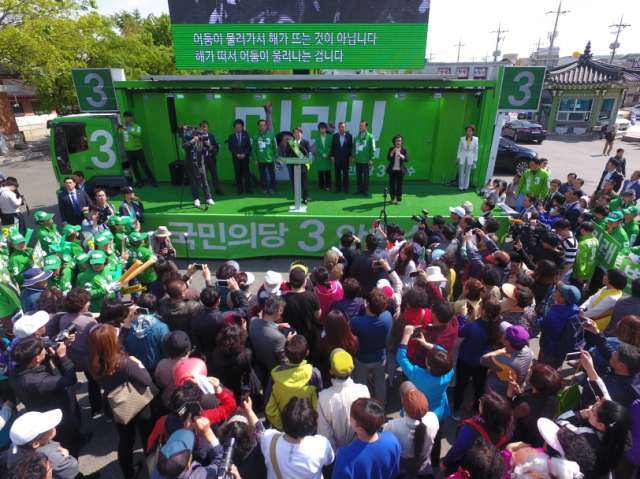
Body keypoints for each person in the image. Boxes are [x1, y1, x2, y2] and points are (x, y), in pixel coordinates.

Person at [89, 324, 155, 479]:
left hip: (116, 406)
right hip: (139, 405)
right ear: (112, 343)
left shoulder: (92, 363)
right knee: (148, 438)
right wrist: (140, 365)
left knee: (126, 440)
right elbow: (146, 381)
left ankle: (128, 473)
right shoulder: (125, 363)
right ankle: (153, 469)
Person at [9, 337, 85, 458]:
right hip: (59, 419)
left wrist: (51, 357)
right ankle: (72, 466)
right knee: (69, 449)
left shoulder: (16, 372)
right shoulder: (36, 381)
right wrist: (63, 356)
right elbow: (70, 379)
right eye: (43, 350)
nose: (45, 350)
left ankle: (78, 441)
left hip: (41, 410)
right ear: (36, 358)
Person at [7, 409, 92, 479]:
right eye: (47, 428)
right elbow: (72, 469)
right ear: (35, 444)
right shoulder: (54, 456)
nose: (53, 427)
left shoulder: (13, 448)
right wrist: (66, 457)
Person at [441, 392, 513, 475]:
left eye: (482, 401)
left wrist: (443, 465)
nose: (481, 400)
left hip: (469, 468)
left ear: (486, 414)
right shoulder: (508, 431)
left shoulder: (468, 432)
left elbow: (455, 454)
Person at [452, 298, 501, 421]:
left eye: (481, 306)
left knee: (460, 386)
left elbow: (460, 332)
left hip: (465, 360)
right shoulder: (495, 327)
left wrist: (462, 316)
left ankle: (456, 410)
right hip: (482, 363)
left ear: (483, 311)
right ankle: (476, 409)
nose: (479, 306)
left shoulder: (472, 326)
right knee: (479, 387)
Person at [261, 396, 334, 477]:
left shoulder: (269, 439)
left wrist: (250, 412)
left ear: (284, 419)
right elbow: (329, 460)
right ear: (312, 425)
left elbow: (258, 429)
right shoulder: (321, 445)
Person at [264, 335, 322, 431]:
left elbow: (269, 408)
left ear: (284, 353)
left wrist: (282, 427)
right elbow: (318, 405)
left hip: (283, 429)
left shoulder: (275, 375)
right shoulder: (314, 374)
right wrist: (310, 425)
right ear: (307, 353)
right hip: (307, 427)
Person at [317, 348, 370, 454]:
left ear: (331, 371)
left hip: (335, 454)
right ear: (353, 368)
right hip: (358, 451)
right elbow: (365, 423)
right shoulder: (363, 390)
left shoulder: (323, 397)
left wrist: (336, 454)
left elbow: (325, 431)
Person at [332, 397, 400, 479]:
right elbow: (395, 472)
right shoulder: (392, 440)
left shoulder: (344, 455)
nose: (350, 419)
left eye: (352, 418)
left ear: (361, 430)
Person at [383, 383, 439, 479]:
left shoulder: (392, 425)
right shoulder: (433, 419)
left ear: (404, 407)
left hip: (402, 465)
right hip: (423, 463)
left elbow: (386, 444)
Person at [350, 288, 393, 405]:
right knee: (380, 382)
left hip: (362, 360)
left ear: (367, 304)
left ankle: (361, 406)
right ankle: (381, 404)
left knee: (360, 385)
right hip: (380, 358)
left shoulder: (356, 322)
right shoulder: (388, 316)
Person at [191, 277, 249, 359]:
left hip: (208, 352)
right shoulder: (226, 316)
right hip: (225, 351)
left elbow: (196, 338)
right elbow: (245, 308)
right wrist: (237, 290)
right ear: (218, 301)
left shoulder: (196, 319)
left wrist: (201, 350)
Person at [507, 364, 563, 448]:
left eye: (530, 373)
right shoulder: (553, 397)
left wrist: (510, 392)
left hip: (522, 442)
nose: (528, 372)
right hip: (539, 438)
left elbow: (507, 417)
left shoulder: (525, 405)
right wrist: (519, 393)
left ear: (535, 382)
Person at [150, 427, 239, 479]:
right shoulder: (204, 474)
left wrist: (186, 428)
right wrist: (207, 432)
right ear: (188, 465)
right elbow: (221, 461)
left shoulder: (155, 474)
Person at [216, 397, 267, 478]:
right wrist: (249, 410)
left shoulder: (221, 450)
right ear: (249, 431)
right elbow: (260, 428)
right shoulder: (259, 442)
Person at [481, 323, 533, 398]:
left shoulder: (502, 360)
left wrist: (500, 351)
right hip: (516, 390)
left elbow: (483, 359)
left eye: (504, 334)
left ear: (507, 342)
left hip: (497, 394)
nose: (502, 334)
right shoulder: (527, 351)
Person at [539, 282, 583, 369]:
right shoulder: (573, 308)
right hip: (561, 349)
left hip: (550, 349)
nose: (554, 292)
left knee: (544, 371)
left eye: (557, 292)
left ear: (562, 299)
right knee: (556, 368)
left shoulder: (555, 315)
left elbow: (541, 324)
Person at [209, 324, 255, 403]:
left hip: (224, 384)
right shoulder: (246, 355)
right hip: (239, 384)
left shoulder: (215, 353)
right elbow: (249, 370)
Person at [281, 265, 320, 352]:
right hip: (309, 336)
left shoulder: (283, 299)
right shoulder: (312, 296)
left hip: (291, 337)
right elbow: (318, 315)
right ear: (304, 282)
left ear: (290, 281)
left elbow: (280, 320)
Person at [116, 111, 157, 188]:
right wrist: (116, 130)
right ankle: (140, 182)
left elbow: (138, 134)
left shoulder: (137, 126)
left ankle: (152, 181)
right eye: (125, 117)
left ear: (131, 117)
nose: (126, 119)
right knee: (134, 167)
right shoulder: (122, 128)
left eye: (128, 117)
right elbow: (116, 136)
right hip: (128, 150)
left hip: (137, 149)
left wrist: (128, 130)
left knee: (144, 165)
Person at [155, 331, 191, 409]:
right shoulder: (195, 366)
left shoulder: (161, 365)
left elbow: (160, 383)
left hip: (168, 401)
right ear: (188, 351)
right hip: (189, 404)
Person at [182, 128, 214, 207]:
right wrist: (193, 140)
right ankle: (196, 199)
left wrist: (204, 141)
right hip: (190, 165)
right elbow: (184, 146)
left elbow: (208, 147)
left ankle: (208, 198)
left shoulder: (201, 140)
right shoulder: (187, 139)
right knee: (193, 183)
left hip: (200, 164)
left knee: (204, 182)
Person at [283, 126, 311, 204]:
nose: (297, 134)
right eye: (295, 133)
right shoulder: (290, 143)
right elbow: (287, 153)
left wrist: (304, 158)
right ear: (293, 134)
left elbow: (308, 152)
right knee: (294, 182)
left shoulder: (305, 142)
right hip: (293, 165)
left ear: (301, 134)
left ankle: (305, 198)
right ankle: (296, 197)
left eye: (298, 133)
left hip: (303, 165)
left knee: (304, 182)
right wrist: (288, 158)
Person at [252, 119, 280, 195]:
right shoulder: (255, 136)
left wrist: (276, 157)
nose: (263, 127)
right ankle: (264, 188)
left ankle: (272, 188)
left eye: (264, 125)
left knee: (272, 174)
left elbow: (275, 147)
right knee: (262, 175)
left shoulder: (271, 135)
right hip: (260, 159)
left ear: (266, 126)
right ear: (258, 126)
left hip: (270, 159)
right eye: (261, 125)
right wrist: (255, 159)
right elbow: (254, 149)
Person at [228, 119, 253, 195]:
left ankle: (248, 188)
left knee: (246, 174)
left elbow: (248, 146)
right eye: (237, 127)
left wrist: (244, 154)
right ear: (234, 128)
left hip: (245, 158)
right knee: (238, 174)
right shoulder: (231, 137)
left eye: (240, 127)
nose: (239, 129)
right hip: (236, 158)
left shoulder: (246, 135)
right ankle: (240, 188)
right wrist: (237, 154)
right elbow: (230, 147)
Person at [198, 120, 223, 195]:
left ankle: (217, 189)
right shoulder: (198, 137)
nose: (204, 128)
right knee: (203, 176)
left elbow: (214, 145)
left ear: (208, 127)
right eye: (203, 127)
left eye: (206, 127)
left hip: (211, 157)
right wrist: (204, 148)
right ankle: (204, 192)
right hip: (203, 158)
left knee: (214, 174)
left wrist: (213, 148)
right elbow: (197, 148)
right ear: (200, 127)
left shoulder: (211, 136)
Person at [352, 121, 375, 197]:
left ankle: (365, 190)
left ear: (366, 127)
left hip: (365, 160)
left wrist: (371, 158)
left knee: (366, 176)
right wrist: (353, 156)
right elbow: (353, 148)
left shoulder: (370, 137)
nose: (360, 127)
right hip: (358, 160)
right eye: (360, 126)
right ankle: (360, 189)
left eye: (362, 126)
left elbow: (373, 148)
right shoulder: (356, 136)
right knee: (358, 176)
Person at [330, 121, 353, 193]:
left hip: (345, 158)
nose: (341, 128)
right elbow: (332, 147)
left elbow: (351, 147)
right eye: (340, 127)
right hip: (337, 158)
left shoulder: (349, 136)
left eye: (343, 127)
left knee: (345, 174)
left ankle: (346, 188)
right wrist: (332, 157)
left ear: (345, 128)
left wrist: (350, 156)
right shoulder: (335, 136)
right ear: (338, 128)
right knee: (337, 174)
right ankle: (338, 187)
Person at [386, 134, 409, 205]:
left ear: (402, 141)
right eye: (397, 141)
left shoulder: (404, 150)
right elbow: (388, 159)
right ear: (394, 142)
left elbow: (407, 159)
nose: (398, 142)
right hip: (392, 170)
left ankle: (398, 199)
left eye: (399, 140)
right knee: (392, 185)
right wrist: (392, 153)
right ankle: (392, 198)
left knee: (399, 185)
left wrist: (402, 156)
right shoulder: (391, 149)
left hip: (400, 171)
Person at [456, 125, 478, 191]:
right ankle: (461, 186)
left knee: (468, 173)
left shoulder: (475, 139)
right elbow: (459, 148)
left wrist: (475, 159)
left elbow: (476, 149)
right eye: (467, 131)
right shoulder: (462, 138)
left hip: (470, 157)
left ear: (473, 132)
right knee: (461, 172)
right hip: (462, 156)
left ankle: (466, 186)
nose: (468, 132)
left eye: (470, 131)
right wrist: (458, 157)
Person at [314, 121, 332, 191]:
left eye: (324, 129)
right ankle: (321, 186)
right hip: (320, 157)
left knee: (328, 172)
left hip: (327, 157)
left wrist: (326, 154)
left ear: (326, 129)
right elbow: (317, 147)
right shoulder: (317, 137)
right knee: (320, 173)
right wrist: (323, 154)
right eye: (321, 129)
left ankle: (328, 186)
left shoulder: (330, 137)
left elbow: (330, 147)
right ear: (319, 129)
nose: (322, 130)